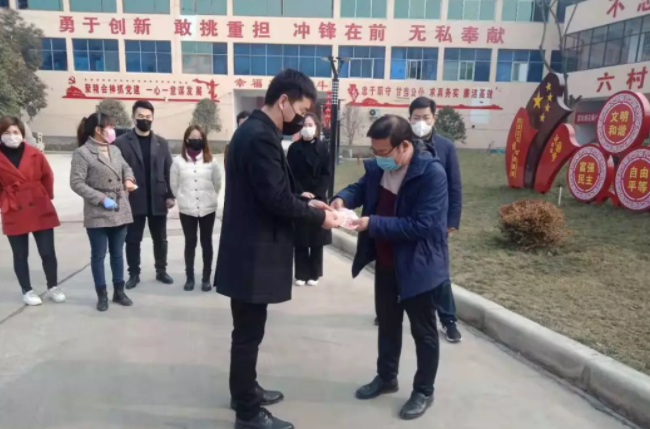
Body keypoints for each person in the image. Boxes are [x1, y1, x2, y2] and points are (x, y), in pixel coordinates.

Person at [215, 69, 341, 429]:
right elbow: (274, 200)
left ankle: (246, 390)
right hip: (253, 252)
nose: (301, 120)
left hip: (247, 247)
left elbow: (271, 189)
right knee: (248, 333)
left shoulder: (257, 131)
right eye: (300, 111)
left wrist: (305, 199)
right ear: (283, 100)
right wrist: (319, 218)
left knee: (248, 331)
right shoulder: (260, 136)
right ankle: (247, 412)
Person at [332, 115, 448, 421]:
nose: (378, 158)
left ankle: (424, 390)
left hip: (419, 266)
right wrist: (341, 200)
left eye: (383, 152)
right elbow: (360, 188)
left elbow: (423, 225)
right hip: (386, 263)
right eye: (374, 151)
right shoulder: (379, 167)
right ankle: (386, 377)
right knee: (387, 324)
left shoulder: (431, 174)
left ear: (404, 146)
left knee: (424, 332)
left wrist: (372, 223)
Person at [408, 96, 463, 343]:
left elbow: (454, 186)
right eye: (416, 118)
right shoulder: (402, 143)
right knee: (400, 266)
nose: (421, 122)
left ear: (434, 118)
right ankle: (390, 310)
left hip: (436, 222)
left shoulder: (445, 147)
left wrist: (452, 219)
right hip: (407, 219)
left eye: (426, 117)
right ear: (409, 118)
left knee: (438, 271)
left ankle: (448, 320)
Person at [70, 113, 136, 311]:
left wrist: (128, 180)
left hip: (119, 207)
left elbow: (126, 167)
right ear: (98, 130)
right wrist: (101, 199)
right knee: (98, 255)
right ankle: (102, 294)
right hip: (97, 210)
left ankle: (119, 291)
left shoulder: (114, 149)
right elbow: (76, 182)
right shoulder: (83, 153)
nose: (113, 130)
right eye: (110, 127)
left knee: (117, 254)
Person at [0, 116, 63, 306]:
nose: (12, 136)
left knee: (47, 251)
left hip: (39, 205)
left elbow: (48, 176)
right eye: (6, 132)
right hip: (13, 206)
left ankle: (53, 286)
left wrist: (45, 197)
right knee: (20, 254)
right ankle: (27, 290)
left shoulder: (35, 154)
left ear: (22, 133)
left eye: (15, 132)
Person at [114, 101, 175, 289]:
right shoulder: (121, 143)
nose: (144, 120)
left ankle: (161, 270)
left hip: (158, 198)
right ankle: (134, 273)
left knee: (160, 239)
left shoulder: (162, 143)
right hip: (133, 198)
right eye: (140, 116)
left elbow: (169, 171)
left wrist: (170, 195)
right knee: (133, 239)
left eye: (148, 117)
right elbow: (116, 172)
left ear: (153, 118)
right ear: (133, 117)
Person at [170, 125, 222, 292]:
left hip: (207, 208)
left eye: (199, 137)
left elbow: (217, 183)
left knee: (206, 243)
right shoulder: (178, 161)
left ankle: (206, 278)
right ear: (186, 139)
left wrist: (210, 196)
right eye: (193, 137)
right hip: (187, 209)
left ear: (203, 140)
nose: (196, 140)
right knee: (190, 243)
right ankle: (190, 277)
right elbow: (174, 185)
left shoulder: (211, 161)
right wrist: (182, 198)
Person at [286, 113, 332, 286]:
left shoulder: (323, 148)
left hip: (318, 196)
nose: (307, 128)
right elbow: (289, 173)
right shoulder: (294, 148)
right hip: (300, 196)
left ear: (316, 127)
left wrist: (317, 193)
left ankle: (314, 273)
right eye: (304, 125)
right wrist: (301, 192)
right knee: (301, 237)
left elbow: (327, 173)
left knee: (316, 238)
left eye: (310, 124)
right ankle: (301, 273)